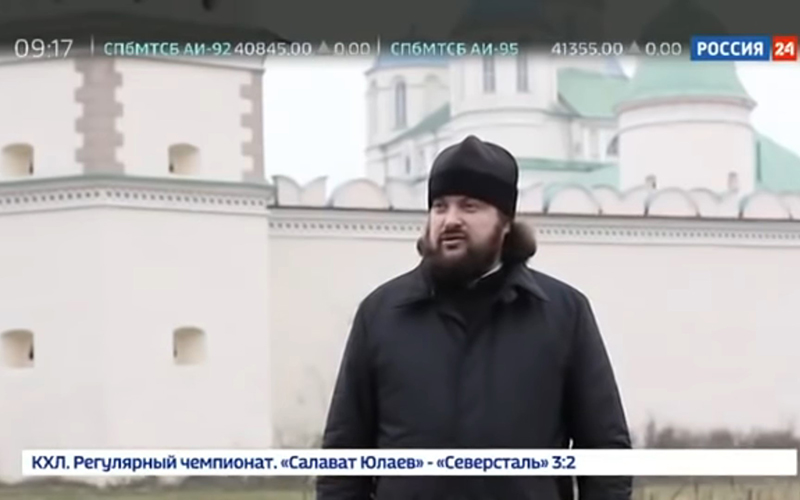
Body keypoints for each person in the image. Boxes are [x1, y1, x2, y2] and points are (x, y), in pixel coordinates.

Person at [316, 135, 632, 500]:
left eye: (469, 206)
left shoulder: (563, 313)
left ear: (505, 221)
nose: (450, 220)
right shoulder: (381, 314)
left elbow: (605, 453)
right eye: (440, 206)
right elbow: (343, 459)